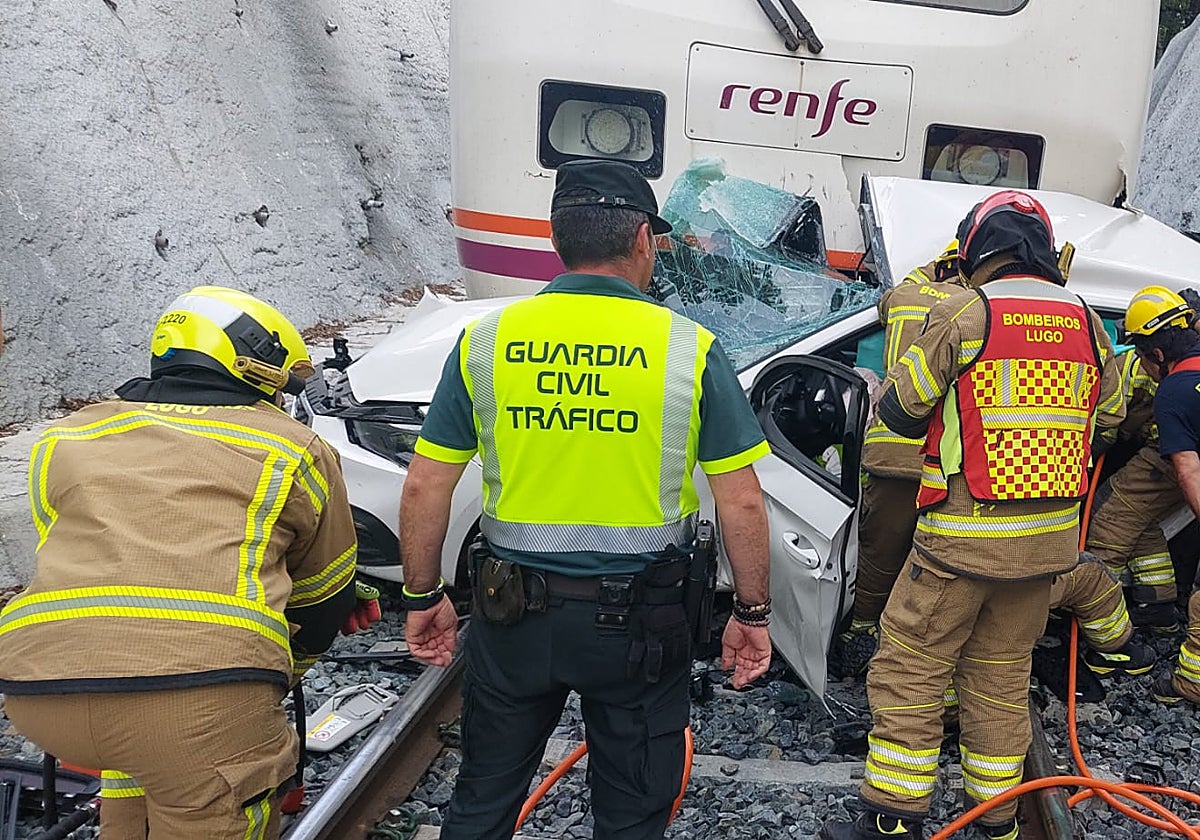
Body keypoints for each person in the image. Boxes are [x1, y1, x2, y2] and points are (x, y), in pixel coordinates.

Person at [399, 159, 773, 840]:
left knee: (483, 799)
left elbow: (426, 481)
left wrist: (424, 597)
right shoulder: (689, 350)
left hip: (511, 616)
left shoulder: (485, 342)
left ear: (557, 241)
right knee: (632, 813)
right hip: (641, 625)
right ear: (642, 239)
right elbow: (741, 501)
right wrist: (750, 610)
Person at [0, 286, 365, 840]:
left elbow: (80, 553)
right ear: (258, 366)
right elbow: (325, 595)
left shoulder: (69, 436)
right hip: (201, 699)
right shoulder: (293, 447)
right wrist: (278, 669)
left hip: (38, 689)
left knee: (140, 760)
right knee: (192, 768)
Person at [819, 190, 1124, 840]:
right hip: (1044, 553)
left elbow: (900, 409)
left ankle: (892, 823)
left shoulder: (967, 312)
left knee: (909, 668)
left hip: (958, 546)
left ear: (981, 249)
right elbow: (1111, 421)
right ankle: (1001, 822)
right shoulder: (1089, 324)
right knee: (998, 683)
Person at [831, 240, 966, 677]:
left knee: (879, 552)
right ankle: (923, 650)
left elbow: (888, 297)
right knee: (935, 562)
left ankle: (862, 631)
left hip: (891, 451)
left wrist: (928, 267)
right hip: (942, 461)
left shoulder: (906, 297)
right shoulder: (974, 309)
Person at [1117, 286, 1200, 705]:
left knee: (1110, 530)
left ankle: (1188, 683)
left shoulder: (1174, 390)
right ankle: (1159, 609)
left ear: (1157, 355)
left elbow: (1186, 468)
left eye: (1140, 353)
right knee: (1143, 524)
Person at [1083, 344, 1184, 634]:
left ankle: (1098, 619)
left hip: (1168, 453)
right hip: (1174, 451)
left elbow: (1109, 423)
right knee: (1139, 518)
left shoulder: (1123, 368)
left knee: (1109, 519)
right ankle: (1158, 604)